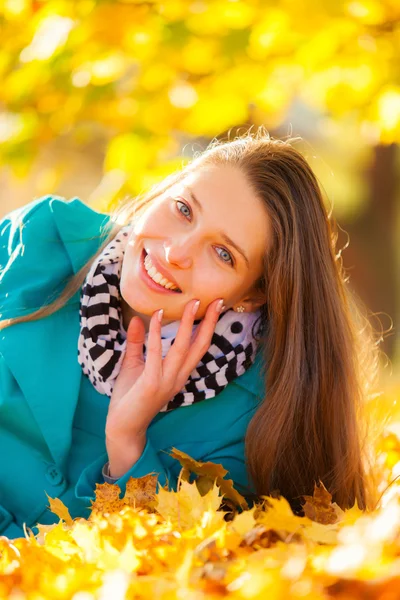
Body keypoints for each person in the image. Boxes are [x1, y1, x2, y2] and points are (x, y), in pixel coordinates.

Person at [0, 129, 380, 540]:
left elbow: (181, 565)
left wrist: (128, 445)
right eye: (183, 209)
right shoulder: (36, 245)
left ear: (251, 296)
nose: (176, 253)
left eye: (223, 254)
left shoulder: (260, 421)